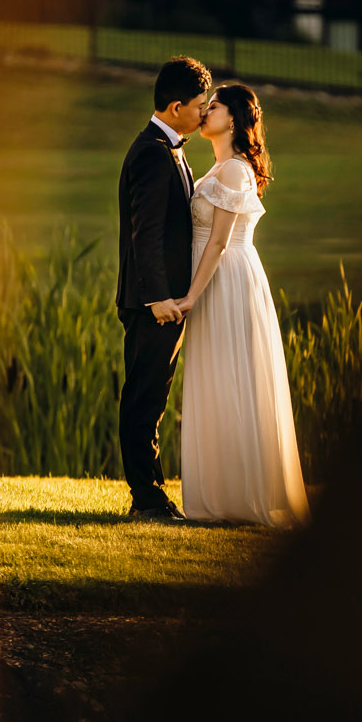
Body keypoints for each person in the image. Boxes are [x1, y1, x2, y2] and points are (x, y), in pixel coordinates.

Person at [174, 85, 309, 528]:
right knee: (215, 376)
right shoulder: (217, 169)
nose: (204, 111)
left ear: (232, 119)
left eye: (212, 107)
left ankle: (240, 496)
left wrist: (192, 296)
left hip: (225, 278)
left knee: (230, 374)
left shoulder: (234, 170)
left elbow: (218, 241)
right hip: (212, 276)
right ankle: (220, 494)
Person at [115, 56, 213, 519]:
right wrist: (158, 299)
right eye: (199, 105)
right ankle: (147, 499)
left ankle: (151, 495)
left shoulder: (170, 147)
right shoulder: (153, 152)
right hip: (153, 304)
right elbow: (145, 232)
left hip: (166, 302)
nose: (205, 111)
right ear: (176, 107)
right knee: (144, 398)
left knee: (153, 397)